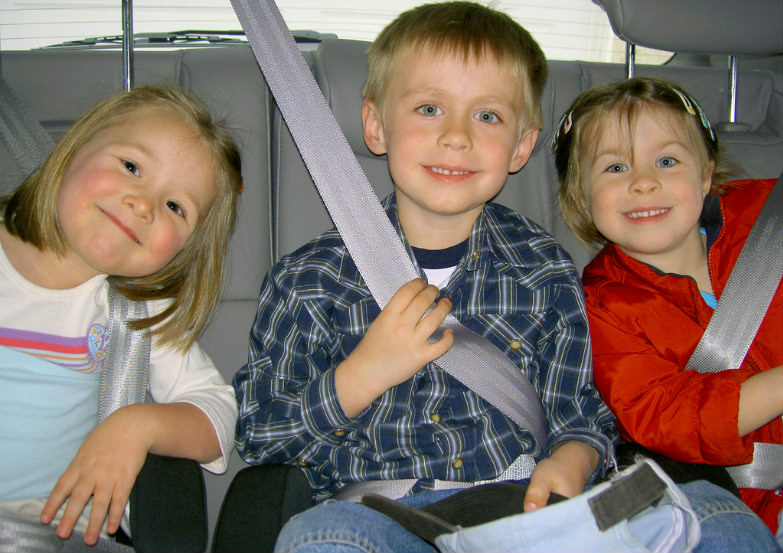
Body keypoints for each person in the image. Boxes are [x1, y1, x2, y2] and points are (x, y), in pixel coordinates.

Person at [234, 3, 616, 552]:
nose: (457, 136)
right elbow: (257, 432)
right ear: (375, 125)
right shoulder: (311, 279)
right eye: (430, 108)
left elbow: (577, 410)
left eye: (487, 116)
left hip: (516, 505)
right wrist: (361, 375)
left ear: (523, 146)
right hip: (372, 513)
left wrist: (576, 457)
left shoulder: (544, 269)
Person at [0, 85, 242, 547]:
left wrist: (137, 425)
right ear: (76, 148)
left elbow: (218, 419)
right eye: (131, 167)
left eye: (175, 207)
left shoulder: (137, 313)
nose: (143, 205)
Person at [554, 76, 782, 546]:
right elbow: (663, 414)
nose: (643, 182)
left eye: (667, 160)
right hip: (737, 502)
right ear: (582, 198)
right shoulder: (601, 304)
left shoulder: (769, 216)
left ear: (705, 174)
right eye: (615, 168)